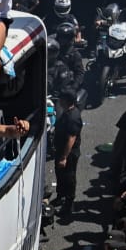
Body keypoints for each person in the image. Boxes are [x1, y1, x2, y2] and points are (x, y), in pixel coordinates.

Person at [52, 85, 82, 223]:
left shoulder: (73, 117)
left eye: (61, 99)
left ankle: (68, 206)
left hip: (68, 153)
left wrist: (64, 157)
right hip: (61, 151)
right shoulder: (67, 112)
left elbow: (71, 138)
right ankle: (60, 196)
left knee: (69, 177)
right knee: (60, 174)